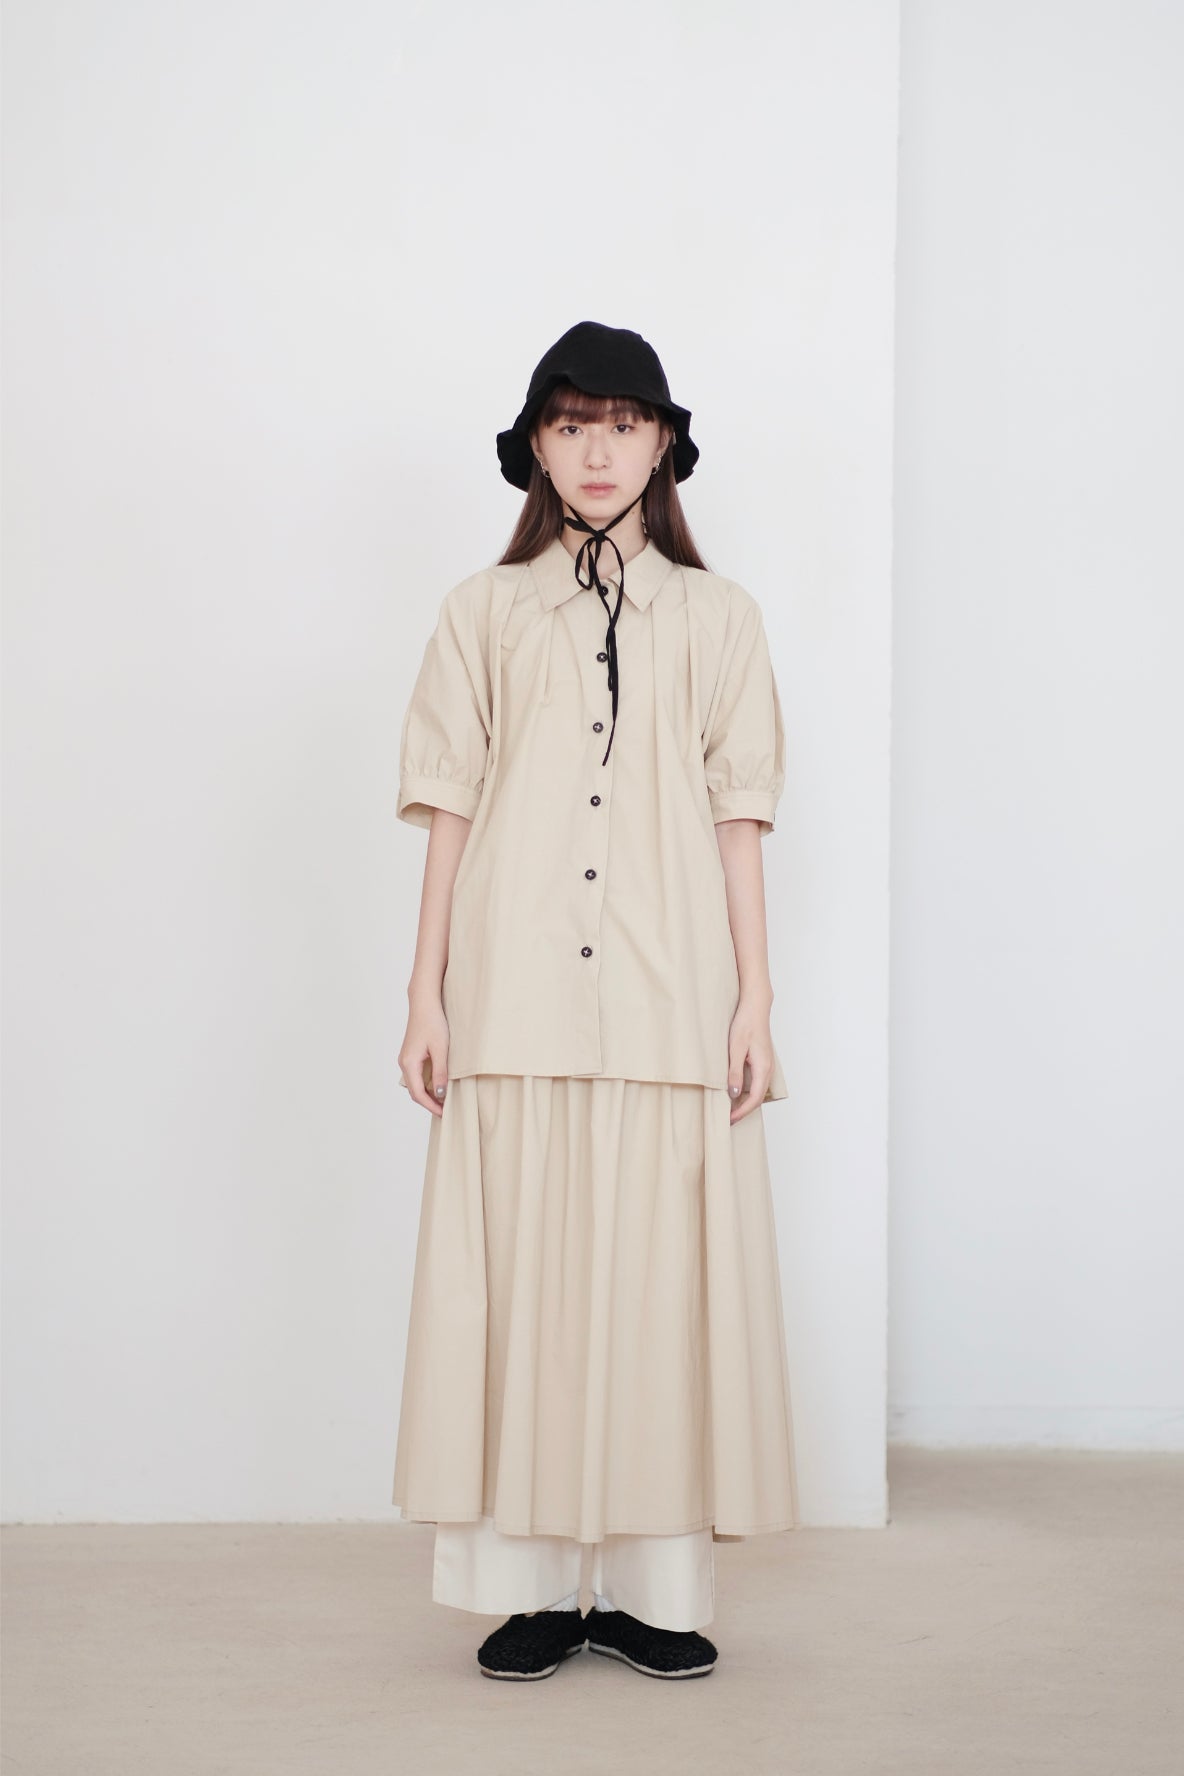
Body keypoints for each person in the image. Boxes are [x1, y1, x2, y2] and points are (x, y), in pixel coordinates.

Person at [390, 320, 799, 1682]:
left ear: (665, 442)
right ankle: (530, 1590)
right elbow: (449, 803)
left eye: (623, 424)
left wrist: (754, 999)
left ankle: (646, 1591)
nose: (598, 451)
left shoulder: (720, 619)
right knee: (523, 1290)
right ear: (536, 448)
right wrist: (425, 991)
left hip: (668, 990)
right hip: (511, 987)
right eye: (571, 425)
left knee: (653, 1294)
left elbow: (739, 815)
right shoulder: (482, 612)